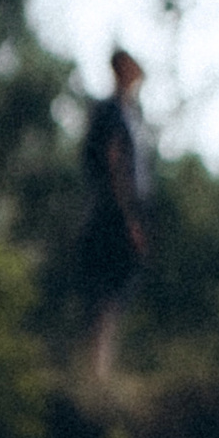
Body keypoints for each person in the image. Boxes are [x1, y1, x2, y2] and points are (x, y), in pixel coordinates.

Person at [78, 47, 153, 381]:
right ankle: (95, 373)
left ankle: (97, 371)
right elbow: (112, 166)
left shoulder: (129, 114)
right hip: (112, 214)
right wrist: (128, 219)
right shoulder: (112, 112)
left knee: (112, 294)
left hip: (119, 211)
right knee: (106, 292)